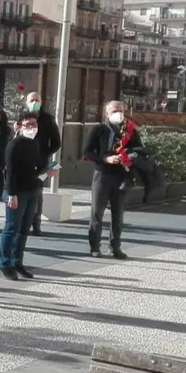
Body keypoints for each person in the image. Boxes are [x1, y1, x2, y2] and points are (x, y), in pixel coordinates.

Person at [0, 113, 56, 280]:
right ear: (19, 126)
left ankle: (17, 262)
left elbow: (37, 169)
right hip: (18, 192)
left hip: (33, 190)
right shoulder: (14, 145)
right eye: (28, 124)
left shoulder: (35, 144)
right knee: (11, 228)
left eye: (34, 124)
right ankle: (5, 264)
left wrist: (47, 173)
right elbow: (10, 172)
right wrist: (12, 194)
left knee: (24, 229)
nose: (32, 127)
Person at [82, 100, 141, 260]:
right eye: (115, 110)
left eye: (121, 110)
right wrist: (105, 158)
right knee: (97, 213)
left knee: (118, 214)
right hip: (103, 175)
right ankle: (94, 247)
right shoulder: (99, 129)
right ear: (107, 113)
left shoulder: (130, 130)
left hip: (122, 176)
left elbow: (139, 150)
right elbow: (87, 153)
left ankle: (115, 247)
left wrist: (129, 157)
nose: (119, 113)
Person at [22, 91, 61, 235]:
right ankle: (22, 220)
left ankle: (36, 224)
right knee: (22, 190)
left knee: (37, 193)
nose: (34, 102)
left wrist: (44, 154)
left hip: (41, 162)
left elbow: (57, 142)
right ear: (26, 102)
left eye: (37, 100)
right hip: (23, 159)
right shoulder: (22, 117)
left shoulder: (48, 119)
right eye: (32, 100)